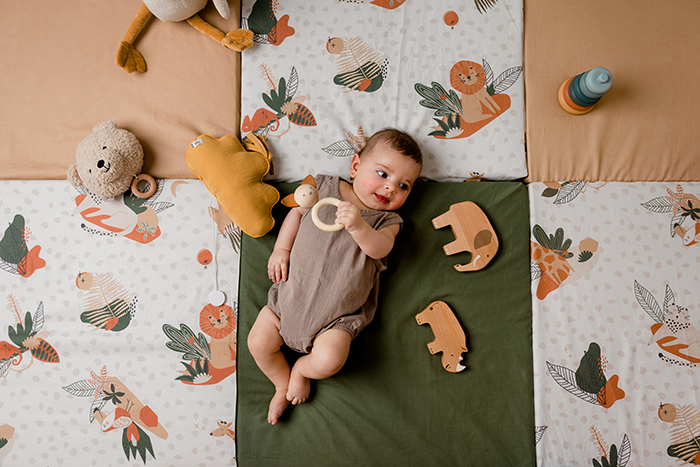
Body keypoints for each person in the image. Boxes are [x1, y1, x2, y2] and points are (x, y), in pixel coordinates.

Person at [247, 128, 423, 425]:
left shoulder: (387, 221)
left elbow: (380, 249)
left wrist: (358, 227)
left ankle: (302, 370)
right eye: (382, 174)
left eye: (404, 185)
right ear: (355, 166)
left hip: (335, 320)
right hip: (286, 302)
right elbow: (297, 214)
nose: (391, 187)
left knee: (330, 360)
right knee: (258, 343)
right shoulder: (324, 187)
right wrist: (281, 249)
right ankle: (281, 383)